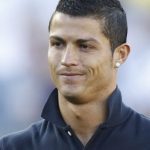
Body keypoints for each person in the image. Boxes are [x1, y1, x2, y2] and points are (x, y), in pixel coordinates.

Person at [0, 0, 150, 149]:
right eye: (57, 44)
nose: (67, 60)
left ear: (120, 55)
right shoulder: (12, 147)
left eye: (84, 46)